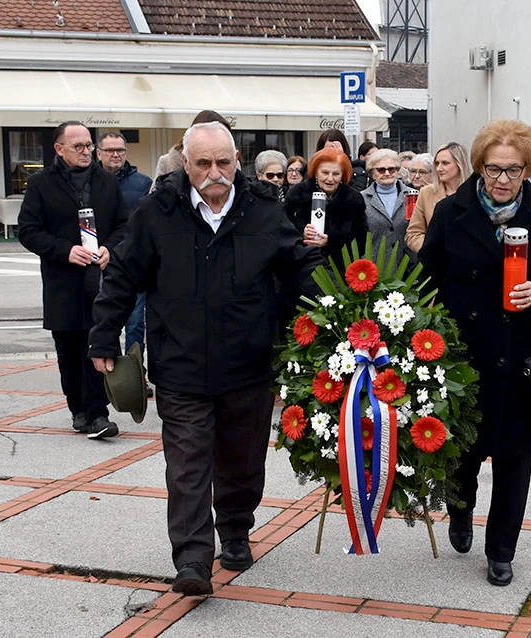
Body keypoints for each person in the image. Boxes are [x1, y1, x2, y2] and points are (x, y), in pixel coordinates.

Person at [89, 121, 324, 596]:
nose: (215, 173)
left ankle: (235, 531)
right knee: (187, 465)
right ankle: (193, 559)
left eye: (223, 162)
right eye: (203, 164)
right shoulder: (158, 210)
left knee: (242, 461)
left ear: (237, 160)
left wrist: (342, 307)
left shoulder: (262, 208)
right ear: (186, 161)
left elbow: (297, 266)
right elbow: (122, 275)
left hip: (248, 365)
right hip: (181, 366)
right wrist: (102, 339)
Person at [417, 119, 531, 588]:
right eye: (493, 169)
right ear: (480, 166)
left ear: (527, 170)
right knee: (463, 454)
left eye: (512, 170)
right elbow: (424, 278)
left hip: (521, 358)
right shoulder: (451, 212)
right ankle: (460, 513)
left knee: (515, 459)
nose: (502, 180)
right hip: (463, 358)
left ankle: (502, 549)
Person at [18, 121, 129, 439]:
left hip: (101, 281)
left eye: (89, 146)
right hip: (62, 281)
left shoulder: (106, 182)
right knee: (69, 351)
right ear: (59, 149)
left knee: (100, 343)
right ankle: (78, 409)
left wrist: (111, 248)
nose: (86, 152)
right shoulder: (41, 184)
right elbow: (28, 230)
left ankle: (98, 413)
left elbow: (125, 226)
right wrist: (65, 251)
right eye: (78, 146)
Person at [96, 132, 154, 397]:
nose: (115, 154)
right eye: (109, 150)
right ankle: (106, 374)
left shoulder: (142, 183)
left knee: (135, 324)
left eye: (120, 150)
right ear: (99, 153)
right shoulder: (91, 183)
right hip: (98, 260)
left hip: (133, 261)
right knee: (103, 319)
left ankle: (135, 376)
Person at [285, 147, 368, 273]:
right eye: (325, 173)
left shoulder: (353, 200)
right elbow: (283, 231)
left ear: (342, 176)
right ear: (316, 173)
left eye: (336, 174)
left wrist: (332, 241)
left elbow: (361, 240)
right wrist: (302, 234)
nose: (330, 179)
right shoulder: (297, 195)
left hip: (340, 272)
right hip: (301, 270)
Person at [405, 141, 470, 253]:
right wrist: (432, 249)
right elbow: (413, 233)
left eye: (445, 163)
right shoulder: (427, 193)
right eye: (437, 163)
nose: (439, 168)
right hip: (437, 264)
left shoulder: (474, 193)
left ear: (459, 164)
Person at [152, 110, 234, 191]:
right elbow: (155, 197)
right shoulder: (167, 162)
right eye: (204, 164)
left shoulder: (234, 164)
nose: (215, 174)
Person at [360, 148, 415, 261]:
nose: (387, 173)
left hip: (407, 267)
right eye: (381, 170)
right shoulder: (361, 199)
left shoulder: (413, 196)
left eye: (391, 169)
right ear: (372, 173)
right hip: (373, 267)